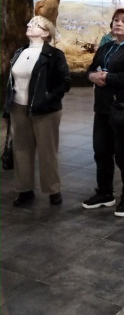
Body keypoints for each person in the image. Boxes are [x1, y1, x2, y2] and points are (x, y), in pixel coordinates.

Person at [82, 8, 124, 217]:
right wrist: (92, 76)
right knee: (101, 152)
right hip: (103, 108)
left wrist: (108, 78)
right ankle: (104, 193)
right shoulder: (106, 47)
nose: (118, 23)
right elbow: (91, 69)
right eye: (116, 20)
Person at [4, 16, 71, 206]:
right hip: (18, 107)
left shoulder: (54, 55)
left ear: (45, 33)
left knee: (47, 151)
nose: (29, 25)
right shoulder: (20, 52)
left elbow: (65, 81)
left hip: (45, 110)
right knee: (21, 150)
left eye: (35, 24)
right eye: (30, 23)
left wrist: (48, 98)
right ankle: (24, 190)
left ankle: (53, 190)